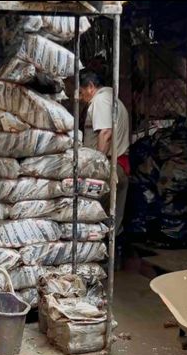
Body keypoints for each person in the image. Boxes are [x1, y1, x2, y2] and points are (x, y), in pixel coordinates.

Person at [78, 69, 131, 234]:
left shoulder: (100, 100)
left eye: (81, 92)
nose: (80, 97)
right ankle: (114, 257)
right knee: (113, 226)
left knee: (96, 223)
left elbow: (106, 133)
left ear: (90, 87)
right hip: (119, 167)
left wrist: (97, 167)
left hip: (109, 168)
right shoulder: (114, 100)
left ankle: (107, 258)